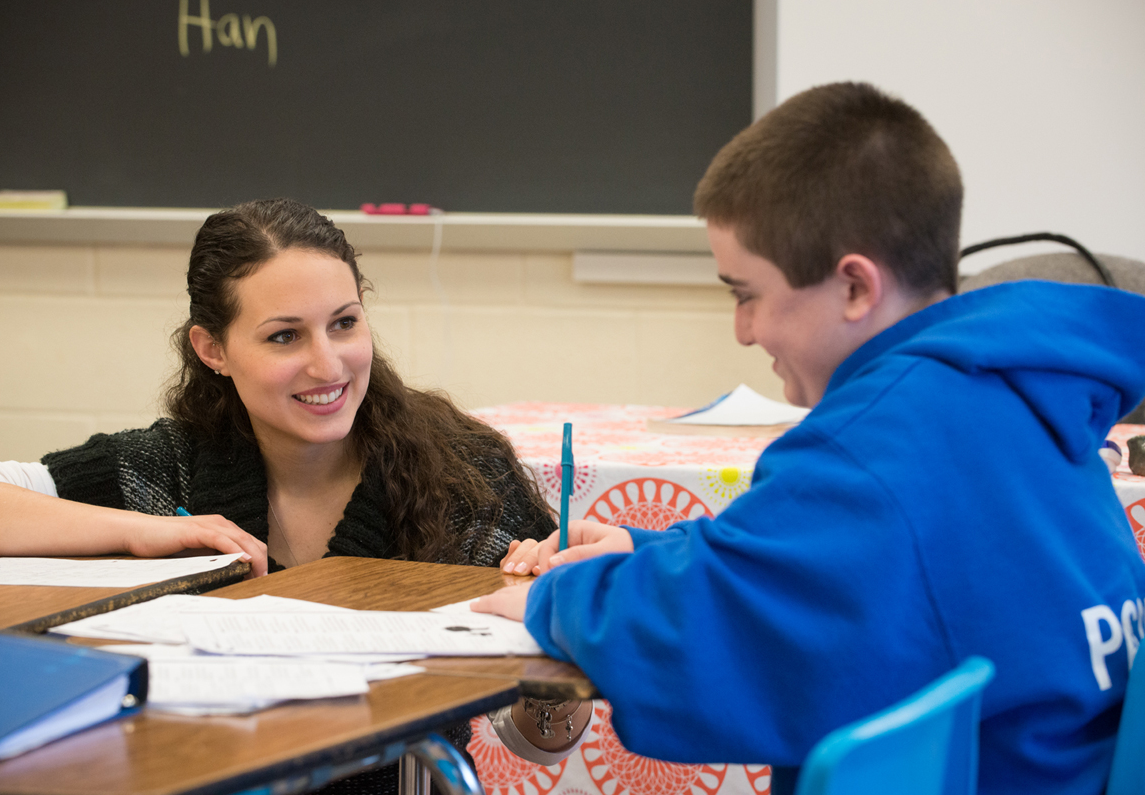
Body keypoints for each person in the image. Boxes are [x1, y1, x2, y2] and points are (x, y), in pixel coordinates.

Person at [477, 82, 1145, 794]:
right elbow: (822, 573)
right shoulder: (1019, 392)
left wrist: (563, 597)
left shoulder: (867, 447)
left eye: (746, 294)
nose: (742, 330)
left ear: (855, 286)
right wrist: (647, 551)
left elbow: (710, 636)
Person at [0, 198, 590, 791]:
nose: (328, 365)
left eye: (343, 324)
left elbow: (538, 745)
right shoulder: (165, 467)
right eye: (285, 336)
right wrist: (134, 529)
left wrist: (561, 632)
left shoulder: (462, 475)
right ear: (213, 350)